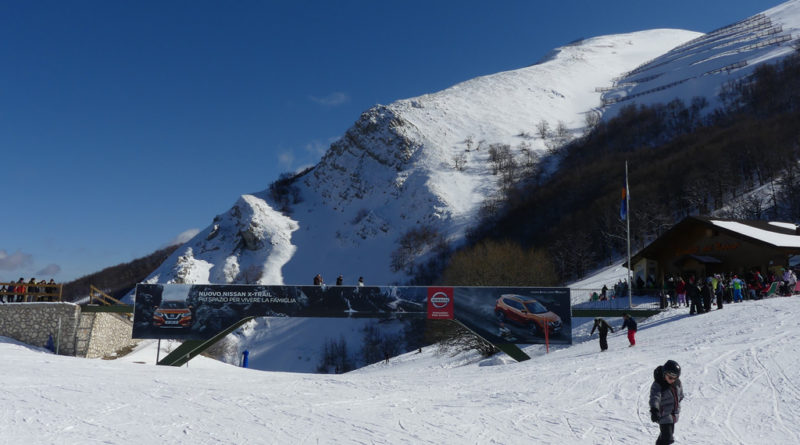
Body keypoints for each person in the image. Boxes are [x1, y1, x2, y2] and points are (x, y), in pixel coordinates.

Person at [650, 360, 684, 445]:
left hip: (673, 414)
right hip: (663, 414)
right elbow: (655, 397)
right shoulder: (659, 384)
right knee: (668, 438)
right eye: (670, 378)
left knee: (665, 436)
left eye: (675, 378)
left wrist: (678, 401)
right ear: (665, 374)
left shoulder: (677, 382)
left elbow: (680, 394)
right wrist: (654, 410)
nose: (673, 380)